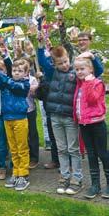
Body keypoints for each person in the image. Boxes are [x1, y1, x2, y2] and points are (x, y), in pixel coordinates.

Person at [38, 40, 103, 195]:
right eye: (60, 63)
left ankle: (77, 179)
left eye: (66, 61)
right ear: (55, 63)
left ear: (69, 58)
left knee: (73, 149)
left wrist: (92, 57)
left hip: (70, 118)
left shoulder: (76, 74)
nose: (65, 65)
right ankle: (64, 177)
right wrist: (40, 46)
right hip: (55, 117)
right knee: (61, 149)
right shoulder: (52, 72)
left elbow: (98, 71)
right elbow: (41, 59)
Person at [73, 57, 109, 199]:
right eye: (77, 69)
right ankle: (95, 185)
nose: (79, 72)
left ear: (91, 69)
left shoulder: (97, 83)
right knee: (91, 154)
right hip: (84, 124)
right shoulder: (79, 84)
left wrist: (88, 82)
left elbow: (92, 99)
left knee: (102, 153)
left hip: (97, 124)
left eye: (82, 69)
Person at [0, 59, 30, 191]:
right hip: (7, 118)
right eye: (14, 70)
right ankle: (16, 172)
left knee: (22, 148)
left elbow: (12, 85)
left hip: (20, 119)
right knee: (13, 148)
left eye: (20, 71)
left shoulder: (24, 84)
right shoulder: (6, 82)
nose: (16, 73)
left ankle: (23, 174)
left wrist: (0, 73)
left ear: (26, 73)